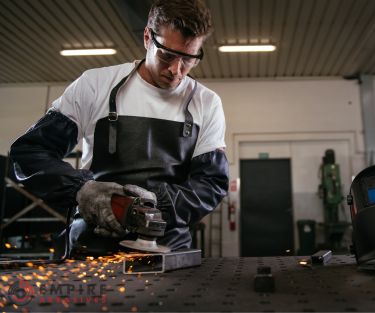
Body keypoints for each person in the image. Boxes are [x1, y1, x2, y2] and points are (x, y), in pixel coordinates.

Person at [9, 0, 229, 257]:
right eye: (167, 55)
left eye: (189, 59)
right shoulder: (95, 85)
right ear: (147, 37)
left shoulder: (206, 103)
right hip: (91, 249)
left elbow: (211, 184)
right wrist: (81, 189)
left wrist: (158, 203)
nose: (175, 71)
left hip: (166, 252)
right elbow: (30, 153)